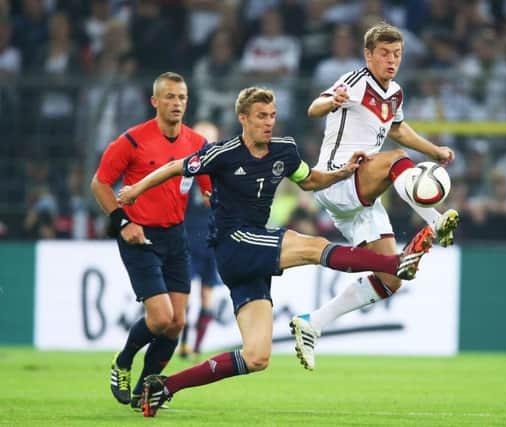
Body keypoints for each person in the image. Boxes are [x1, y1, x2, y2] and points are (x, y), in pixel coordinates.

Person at [116, 87, 434, 417]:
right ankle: (396, 263)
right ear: (243, 119)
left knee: (257, 357)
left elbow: (309, 181)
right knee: (311, 246)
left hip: (251, 254)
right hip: (233, 243)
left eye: (272, 116)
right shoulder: (222, 153)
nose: (269, 123)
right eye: (261, 117)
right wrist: (136, 189)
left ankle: (164, 387)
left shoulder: (284, 152)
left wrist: (342, 173)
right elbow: (175, 167)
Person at [289, 22, 460, 371]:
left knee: (392, 278)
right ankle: (435, 220)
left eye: (397, 54)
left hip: (360, 197)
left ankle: (313, 323)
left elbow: (397, 128)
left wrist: (434, 151)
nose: (391, 60)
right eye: (384, 53)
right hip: (337, 178)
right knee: (396, 159)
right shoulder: (354, 81)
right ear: (368, 54)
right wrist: (329, 101)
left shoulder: (395, 92)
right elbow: (314, 107)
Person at [90, 72, 212, 409]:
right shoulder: (131, 141)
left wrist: (212, 196)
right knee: (160, 318)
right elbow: (100, 184)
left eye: (182, 97)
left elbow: (207, 183)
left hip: (176, 235)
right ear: (155, 101)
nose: (176, 103)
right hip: (139, 234)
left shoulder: (197, 143)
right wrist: (122, 222)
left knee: (177, 324)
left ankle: (146, 388)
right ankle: (123, 361)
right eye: (170, 97)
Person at [179, 121, 223, 359]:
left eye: (210, 139)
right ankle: (184, 342)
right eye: (202, 138)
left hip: (212, 238)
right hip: (188, 237)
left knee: (207, 292)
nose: (206, 144)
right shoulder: (185, 167)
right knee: (185, 290)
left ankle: (197, 346)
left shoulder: (222, 169)